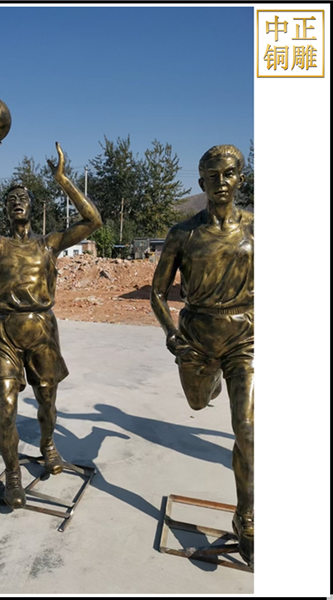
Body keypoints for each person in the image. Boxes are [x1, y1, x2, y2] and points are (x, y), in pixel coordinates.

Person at [0, 138, 102, 509]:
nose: (17, 202)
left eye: (22, 197)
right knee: (5, 409)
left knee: (47, 405)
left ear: (32, 205)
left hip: (42, 331)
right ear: (5, 210)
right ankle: (13, 474)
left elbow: (93, 221)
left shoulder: (48, 244)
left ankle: (47, 444)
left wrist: (63, 179)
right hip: (5, 335)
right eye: (10, 199)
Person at [150, 144, 254, 567]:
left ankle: (246, 518)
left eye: (228, 173)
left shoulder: (258, 229)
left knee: (246, 428)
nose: (221, 182)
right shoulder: (183, 233)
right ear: (201, 182)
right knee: (197, 401)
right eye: (212, 175)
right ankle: (210, 384)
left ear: (240, 178)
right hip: (196, 337)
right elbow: (158, 292)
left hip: (244, 337)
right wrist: (171, 334)